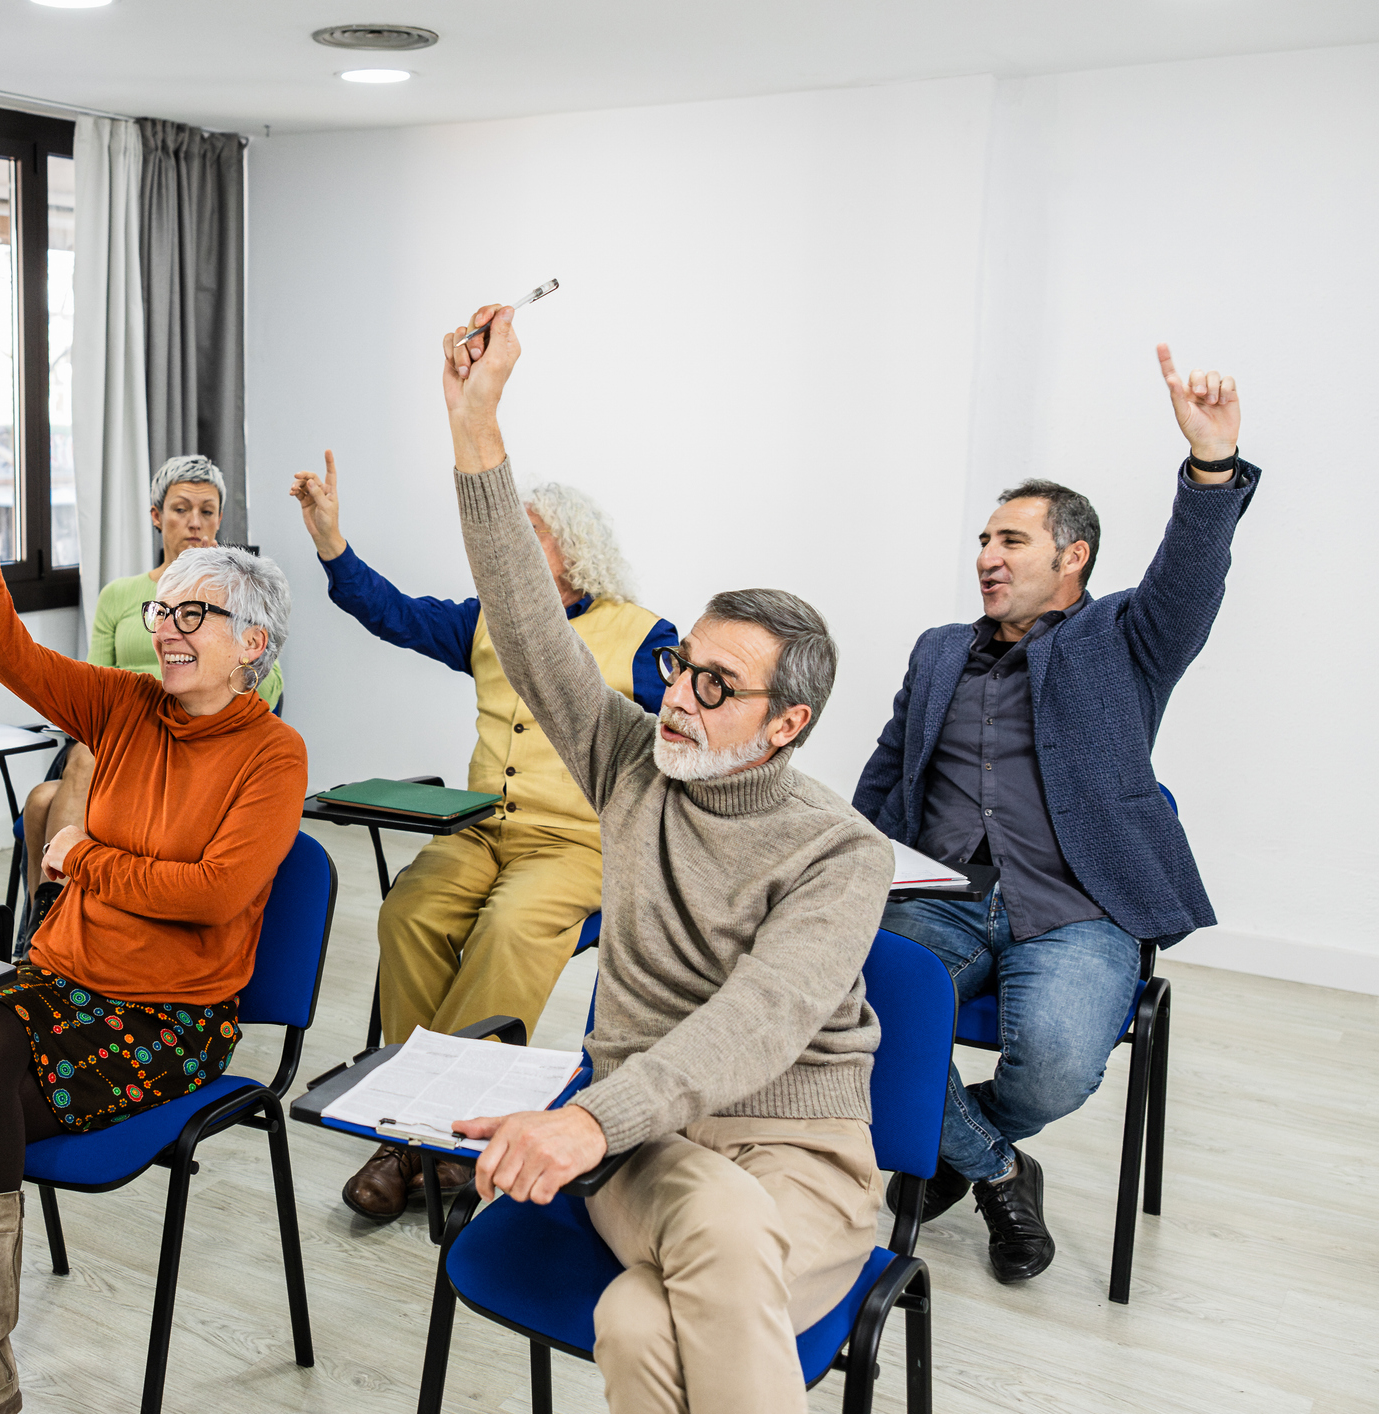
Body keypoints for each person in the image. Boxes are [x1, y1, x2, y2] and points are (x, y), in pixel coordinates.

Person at [438, 303, 895, 1414]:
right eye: (682, 666)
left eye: (715, 685)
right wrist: (477, 427)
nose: (678, 697)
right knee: (717, 1231)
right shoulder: (631, 758)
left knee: (638, 1323)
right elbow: (528, 614)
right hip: (648, 1150)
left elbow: (762, 1021)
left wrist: (582, 1118)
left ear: (785, 725)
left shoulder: (842, 850)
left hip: (802, 1157)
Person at [0, 446, 304, 1414]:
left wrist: (80, 859)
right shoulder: (122, 705)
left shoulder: (270, 753)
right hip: (67, 985)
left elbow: (211, 894)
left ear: (252, 643)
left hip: (173, 1016)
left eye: (193, 614)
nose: (165, 629)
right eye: (163, 611)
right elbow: (9, 654)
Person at [854, 344, 1258, 1285]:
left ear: (1071, 557)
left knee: (1060, 1063)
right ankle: (997, 1175)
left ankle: (962, 1138)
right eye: (985, 542)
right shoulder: (937, 649)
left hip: (1077, 907)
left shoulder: (1125, 640)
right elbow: (885, 771)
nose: (988, 558)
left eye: (1012, 543)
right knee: (849, 1010)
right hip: (939, 894)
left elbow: (1190, 579)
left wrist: (1209, 467)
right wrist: (840, 863)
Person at [290, 451, 677, 1222]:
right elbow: (389, 611)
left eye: (524, 535)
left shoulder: (642, 636)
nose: (502, 550)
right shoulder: (481, 618)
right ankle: (417, 1125)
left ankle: (430, 1133)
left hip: (574, 844)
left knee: (506, 930)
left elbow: (682, 744)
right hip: (478, 829)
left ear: (571, 546)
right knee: (409, 912)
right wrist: (330, 540)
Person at [18, 456, 282, 928]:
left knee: (46, 798)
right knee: (55, 784)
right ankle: (49, 925)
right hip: (112, 737)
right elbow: (96, 677)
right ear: (157, 516)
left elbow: (267, 683)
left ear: (220, 518)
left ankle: (53, 918)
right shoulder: (121, 594)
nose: (196, 523)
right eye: (181, 509)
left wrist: (182, 687)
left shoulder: (238, 599)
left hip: (180, 737)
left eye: (208, 511)